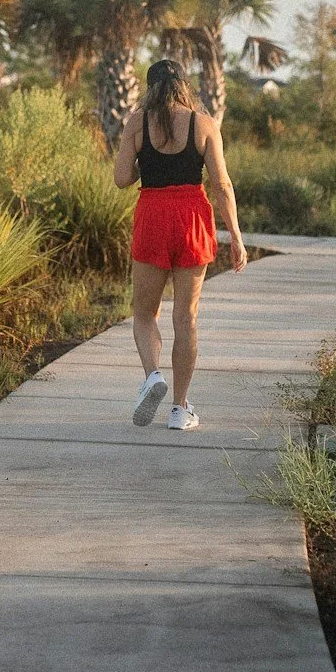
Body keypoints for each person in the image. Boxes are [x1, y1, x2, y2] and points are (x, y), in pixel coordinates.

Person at [113, 57, 246, 430]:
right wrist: (235, 235)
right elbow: (222, 184)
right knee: (185, 316)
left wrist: (144, 160)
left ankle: (152, 376)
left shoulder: (137, 123)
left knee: (144, 313)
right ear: (185, 86)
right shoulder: (204, 124)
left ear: (149, 87)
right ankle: (179, 409)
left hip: (153, 214)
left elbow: (122, 178)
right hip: (192, 215)